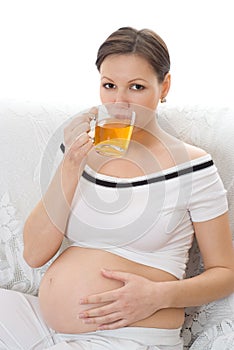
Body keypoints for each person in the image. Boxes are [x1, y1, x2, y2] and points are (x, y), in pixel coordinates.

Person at [0, 26, 233, 350]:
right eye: (109, 85)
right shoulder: (80, 153)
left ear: (163, 86)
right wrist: (71, 166)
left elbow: (225, 272)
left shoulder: (194, 167)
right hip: (47, 324)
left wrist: (157, 296)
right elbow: (34, 254)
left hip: (128, 336)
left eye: (136, 87)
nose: (120, 102)